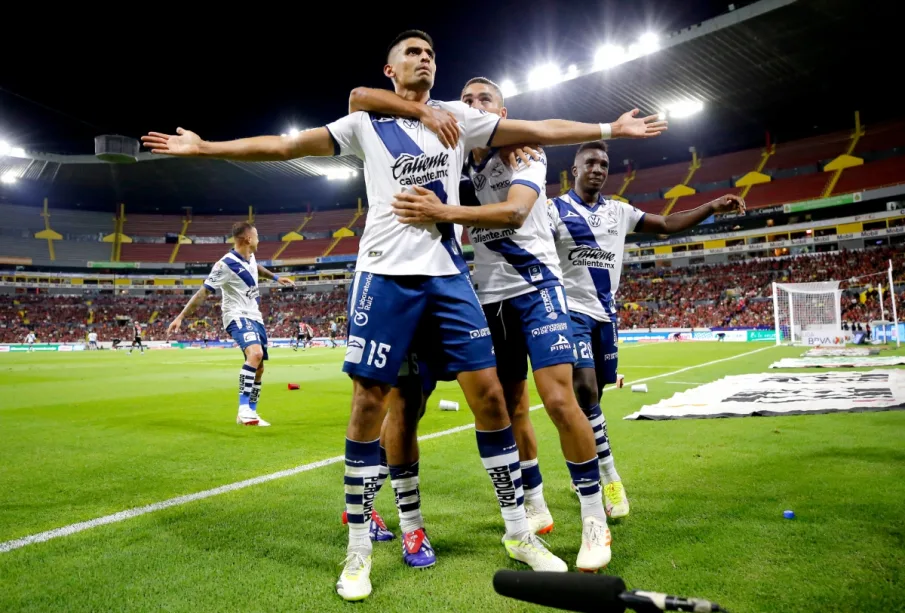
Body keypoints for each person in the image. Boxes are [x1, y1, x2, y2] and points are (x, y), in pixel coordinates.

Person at [142, 29, 666, 601]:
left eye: (431, 54)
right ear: (390, 71)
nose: (425, 59)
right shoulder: (364, 123)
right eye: (412, 53)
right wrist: (207, 147)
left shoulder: (457, 119)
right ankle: (358, 552)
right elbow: (288, 144)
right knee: (371, 402)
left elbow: (540, 129)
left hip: (448, 276)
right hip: (384, 277)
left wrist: (611, 129)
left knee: (491, 398)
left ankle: (520, 531)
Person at [348, 76, 666, 568]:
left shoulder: (525, 151)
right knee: (508, 405)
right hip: (485, 297)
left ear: (502, 113)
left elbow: (517, 212)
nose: (474, 107)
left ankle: (593, 520)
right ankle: (531, 508)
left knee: (560, 400)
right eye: (467, 101)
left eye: (485, 101)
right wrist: (426, 121)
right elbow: (363, 99)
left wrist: (612, 129)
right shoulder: (451, 157)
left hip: (537, 288)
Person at [548, 141, 746, 516]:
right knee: (586, 390)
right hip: (569, 311)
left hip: (605, 315)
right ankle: (609, 479)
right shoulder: (553, 210)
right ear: (573, 170)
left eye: (604, 163)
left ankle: (580, 468)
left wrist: (710, 206)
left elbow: (667, 225)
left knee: (593, 399)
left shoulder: (619, 212)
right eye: (590, 162)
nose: (598, 168)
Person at [165, 222, 294, 426]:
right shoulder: (224, 265)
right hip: (236, 315)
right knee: (255, 354)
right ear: (248, 239)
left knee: (259, 368)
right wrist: (181, 317)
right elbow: (203, 292)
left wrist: (276, 277)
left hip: (255, 316)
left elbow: (255, 267)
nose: (259, 239)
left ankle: (252, 412)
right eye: (257, 235)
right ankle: (243, 409)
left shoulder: (249, 256)